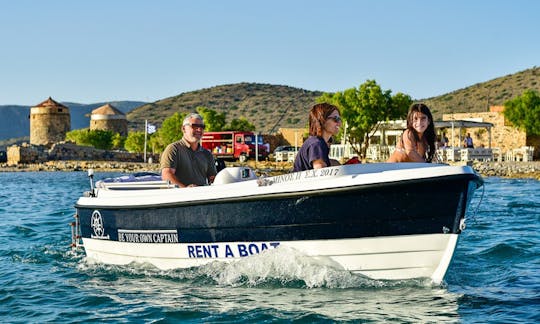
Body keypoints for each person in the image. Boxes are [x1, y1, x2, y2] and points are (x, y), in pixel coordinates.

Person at [161, 113, 217, 187]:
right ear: (183, 129)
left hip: (203, 196)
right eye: (194, 126)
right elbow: (167, 175)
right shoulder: (173, 149)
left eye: (202, 127)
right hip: (180, 197)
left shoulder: (207, 154)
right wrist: (186, 190)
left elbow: (213, 178)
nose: (199, 129)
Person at [293, 103, 342, 171]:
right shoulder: (317, 143)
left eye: (340, 119)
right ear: (322, 120)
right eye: (335, 119)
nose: (339, 123)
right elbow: (321, 173)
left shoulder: (316, 142)